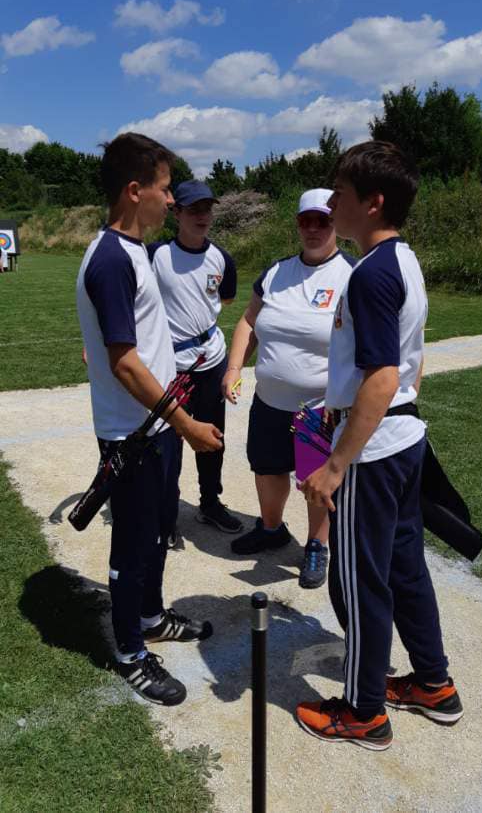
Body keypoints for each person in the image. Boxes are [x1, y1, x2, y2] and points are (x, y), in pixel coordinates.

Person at [297, 141, 463, 749]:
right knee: (404, 568)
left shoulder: (369, 274)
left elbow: (383, 377)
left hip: (372, 450)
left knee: (361, 581)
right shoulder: (403, 259)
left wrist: (336, 463)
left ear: (373, 202)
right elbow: (406, 366)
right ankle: (433, 683)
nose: (331, 204)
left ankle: (363, 711)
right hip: (402, 438)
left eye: (340, 194)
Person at [76, 133, 222, 707]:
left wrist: (173, 425)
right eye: (165, 189)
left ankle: (151, 617)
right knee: (132, 547)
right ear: (135, 191)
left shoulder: (134, 251)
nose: (171, 199)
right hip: (132, 435)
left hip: (154, 429)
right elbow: (125, 364)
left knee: (159, 531)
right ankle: (131, 651)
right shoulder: (112, 259)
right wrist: (186, 422)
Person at [222, 189, 355, 588]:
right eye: (305, 221)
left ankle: (316, 545)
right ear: (297, 224)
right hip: (268, 401)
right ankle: (271, 529)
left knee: (315, 479)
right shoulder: (276, 272)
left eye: (322, 220)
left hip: (318, 406)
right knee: (267, 469)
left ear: (335, 223)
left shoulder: (352, 275)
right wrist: (234, 367)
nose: (313, 229)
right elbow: (248, 321)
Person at [149, 180, 242, 540]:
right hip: (170, 365)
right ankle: (165, 511)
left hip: (211, 362)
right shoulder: (155, 255)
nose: (202, 216)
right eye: (193, 209)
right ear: (177, 213)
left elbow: (225, 300)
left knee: (212, 437)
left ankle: (210, 503)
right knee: (167, 441)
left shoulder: (222, 258)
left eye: (207, 208)